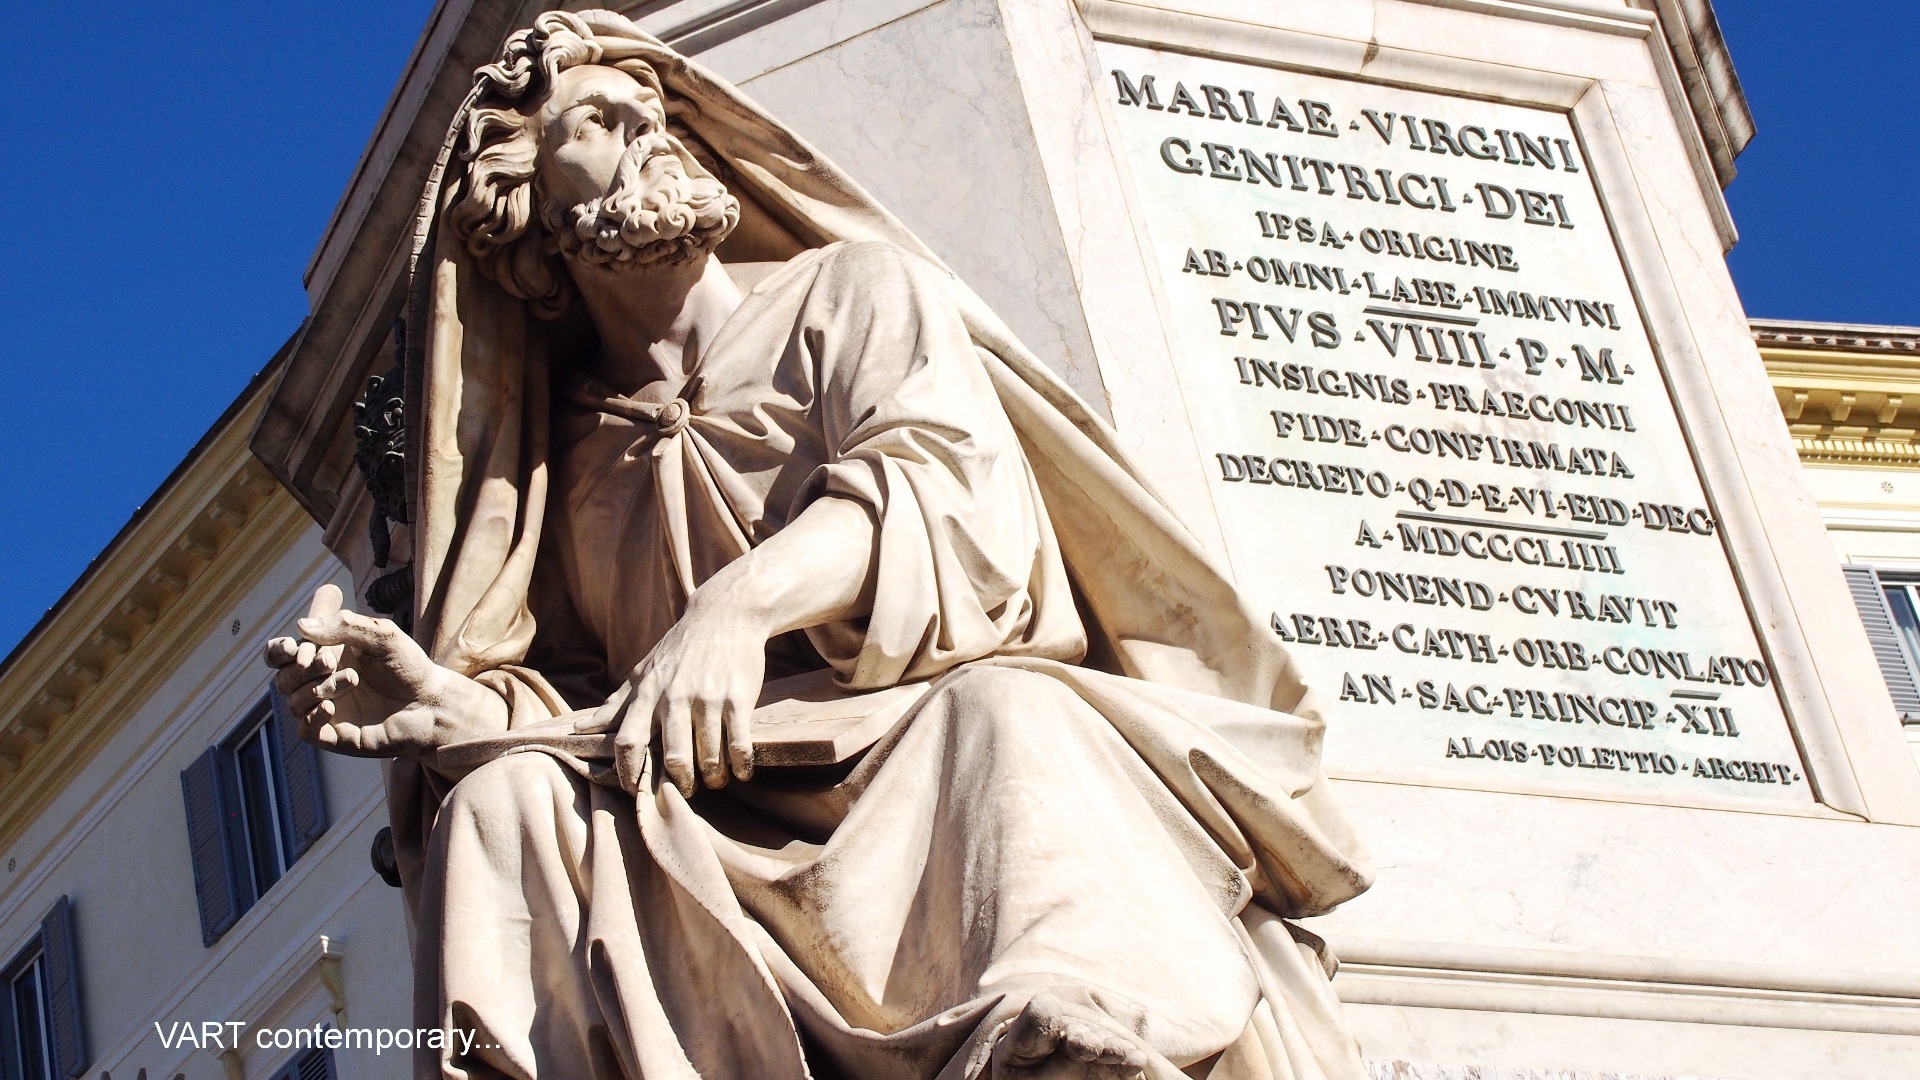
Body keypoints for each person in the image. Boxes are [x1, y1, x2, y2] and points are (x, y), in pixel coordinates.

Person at [265, 11, 1372, 1079]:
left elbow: (939, 482)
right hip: (694, 798)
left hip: (907, 736)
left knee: (1007, 711)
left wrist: (737, 608)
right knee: (498, 806)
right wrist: (454, 711)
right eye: (595, 123)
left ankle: (1052, 1035)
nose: (647, 128)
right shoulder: (561, 460)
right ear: (532, 228)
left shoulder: (851, 291)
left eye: (650, 109)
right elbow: (573, 693)